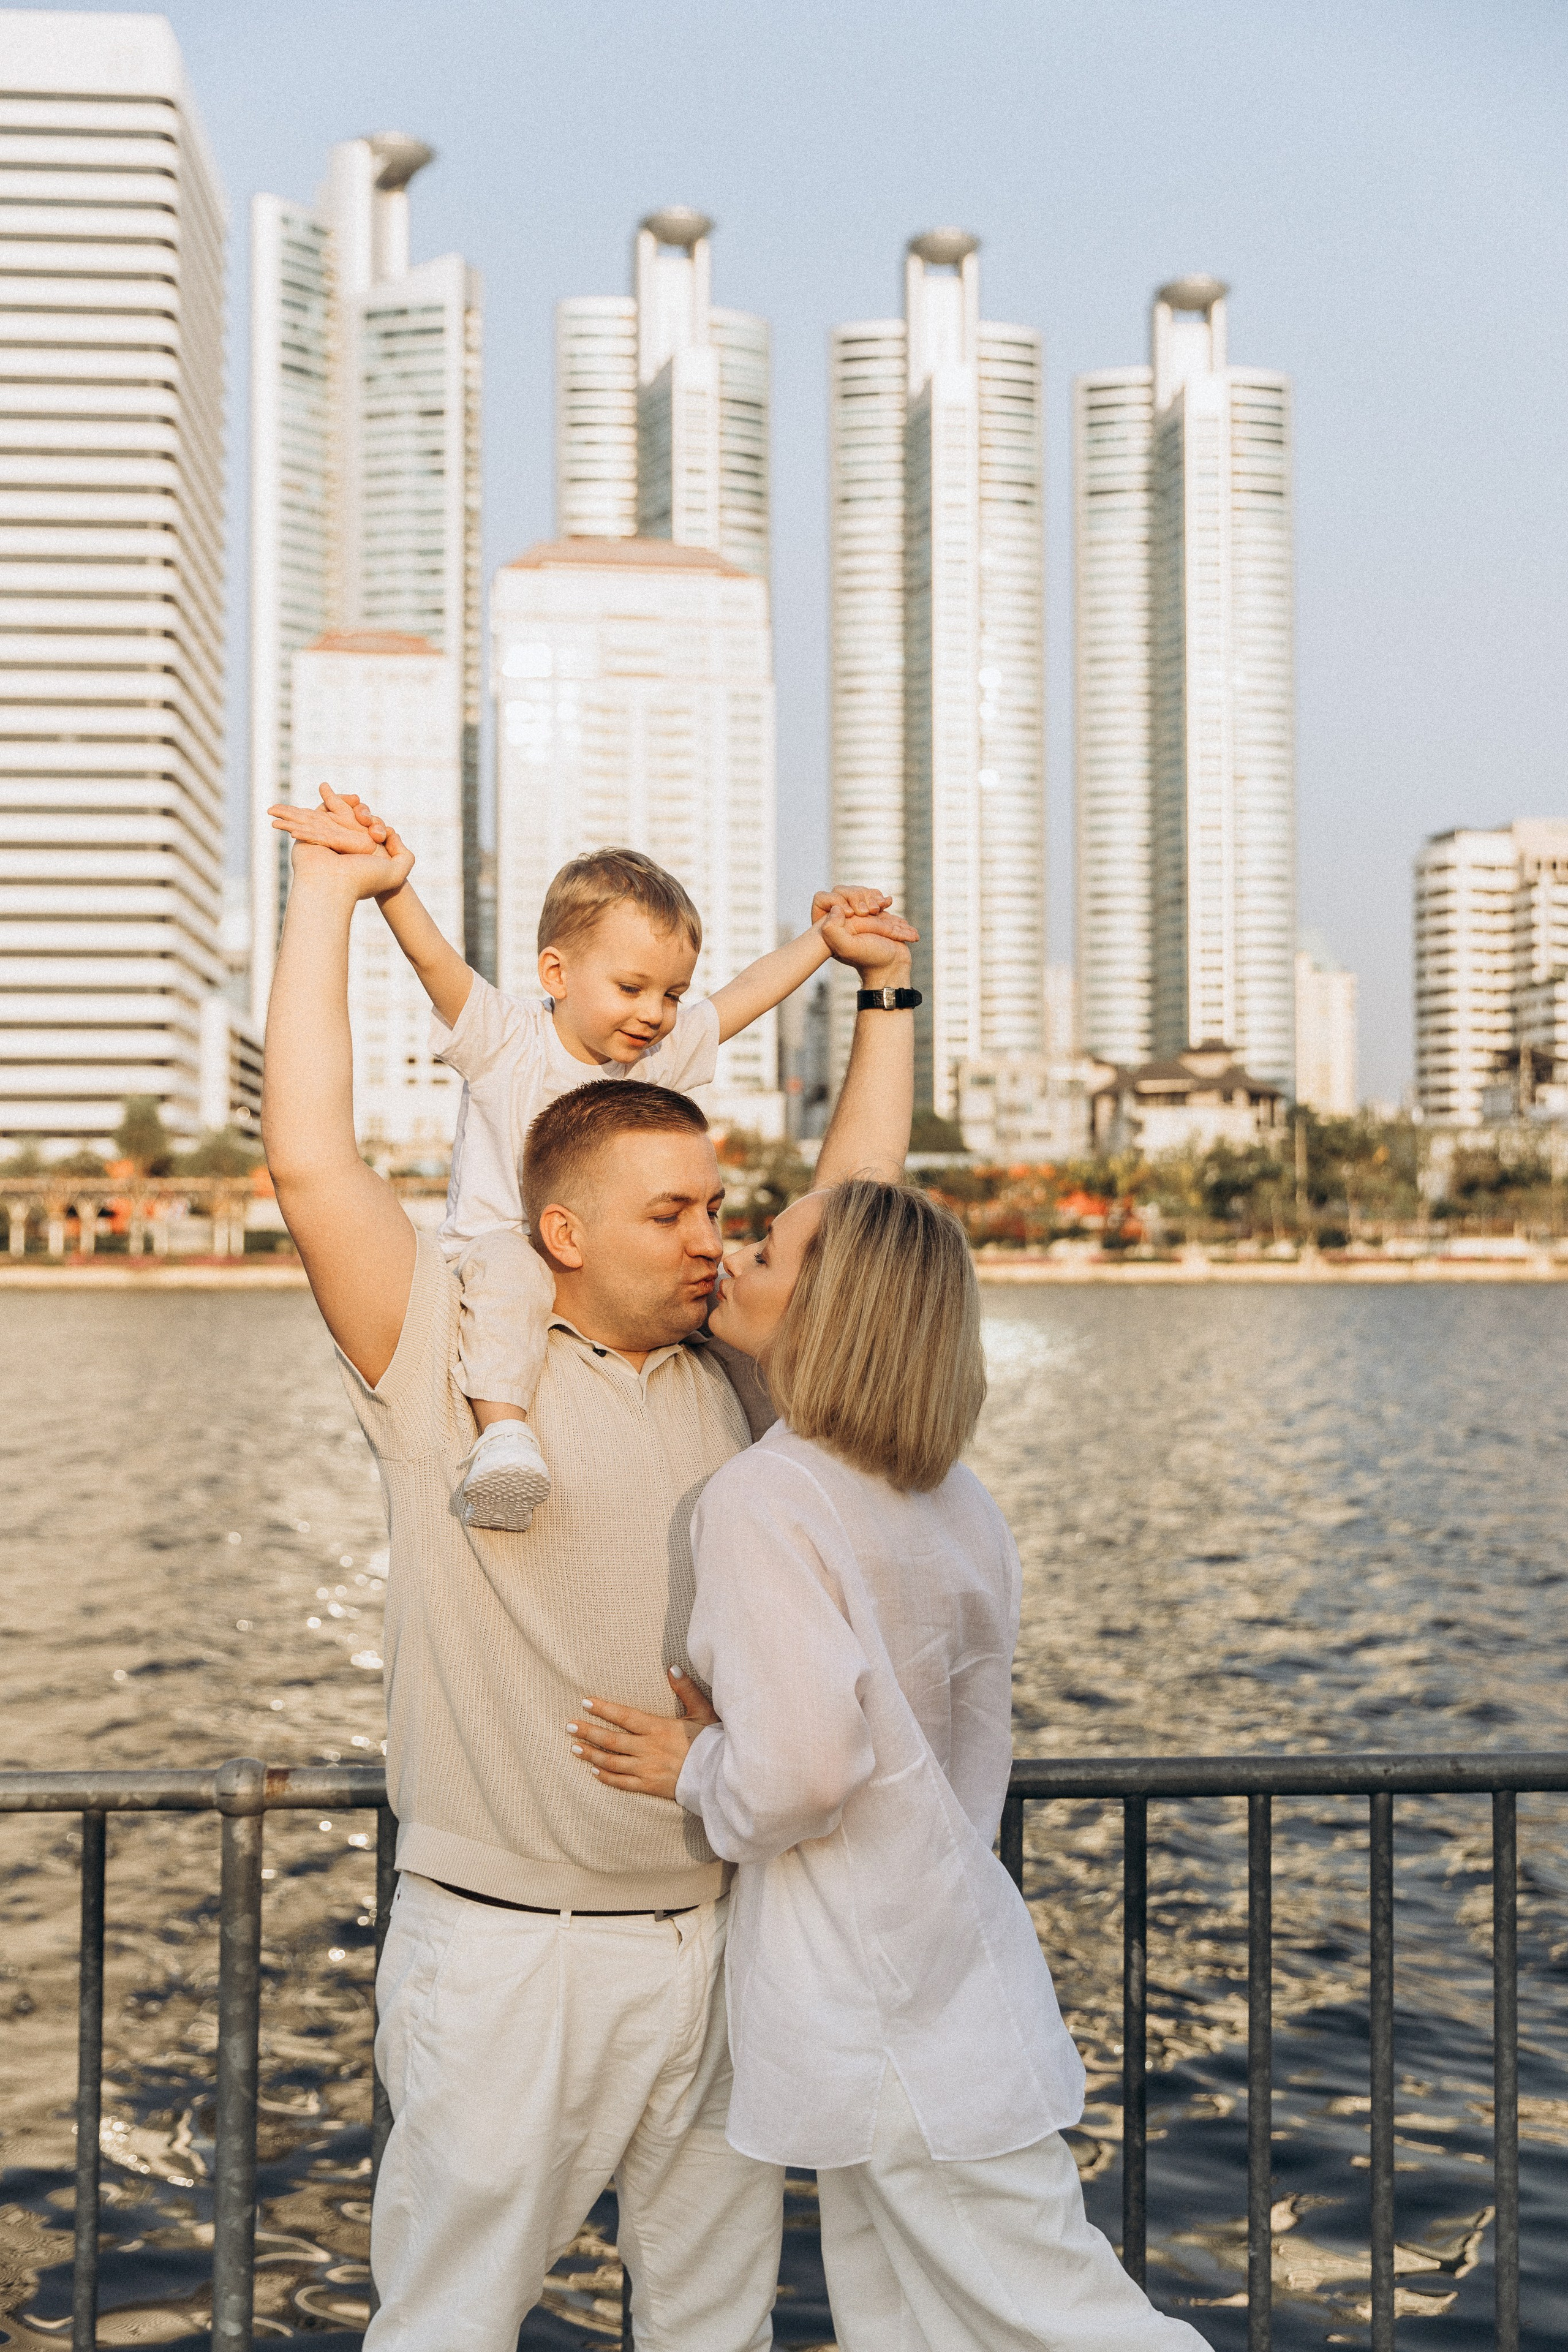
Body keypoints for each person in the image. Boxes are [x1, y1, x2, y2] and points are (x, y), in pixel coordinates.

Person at [260, 816, 918, 2352]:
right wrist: (325, 900)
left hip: (720, 1939)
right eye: (673, 1214)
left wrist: (881, 996)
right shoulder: (444, 1358)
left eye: (717, 1209)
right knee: (449, 2326)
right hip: (507, 1948)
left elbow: (860, 1212)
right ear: (562, 1230)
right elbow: (308, 1160)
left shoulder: (741, 1380)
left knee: (712, 2330)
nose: (717, 1239)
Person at [570, 1182, 1211, 2351]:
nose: (734, 1260)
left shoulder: (770, 1492)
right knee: (921, 2328)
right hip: (947, 1967)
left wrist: (700, 1766)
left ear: (836, 1301)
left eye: (768, 1249)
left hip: (880, 2002)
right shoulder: (957, 1502)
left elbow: (808, 1769)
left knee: (1080, 2326)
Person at [270, 783, 890, 1531]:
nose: (655, 1013)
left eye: (671, 994)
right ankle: (503, 1433)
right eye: (631, 988)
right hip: (498, 1249)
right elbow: (435, 964)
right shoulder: (507, 1038)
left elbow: (747, 996)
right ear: (556, 975)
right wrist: (388, 889)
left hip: (625, 1302)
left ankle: (758, 1450)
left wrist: (827, 942)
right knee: (507, 1276)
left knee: (731, 1342)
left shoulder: (659, 1049)